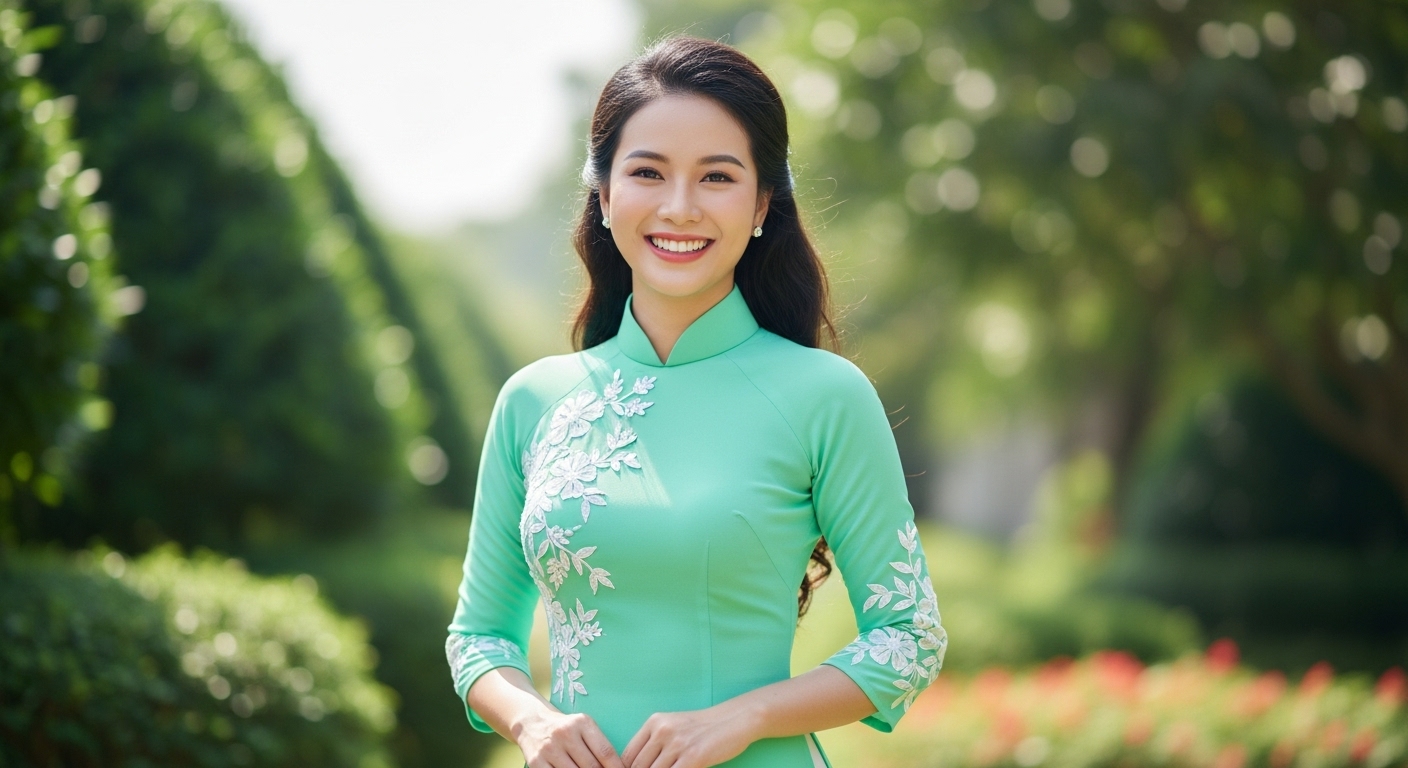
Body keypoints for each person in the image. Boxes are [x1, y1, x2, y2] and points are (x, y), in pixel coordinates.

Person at [445, 35, 947, 768]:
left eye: (717, 177)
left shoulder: (823, 397)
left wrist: (743, 718)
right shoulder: (533, 401)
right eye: (648, 172)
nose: (679, 208)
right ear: (606, 194)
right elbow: (479, 636)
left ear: (762, 205)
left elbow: (909, 637)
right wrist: (531, 721)